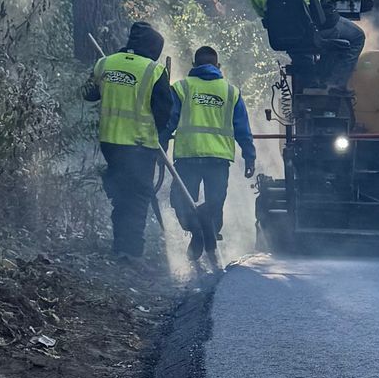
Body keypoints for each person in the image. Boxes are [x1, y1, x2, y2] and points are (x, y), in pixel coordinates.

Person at [84, 21, 179, 263]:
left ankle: (119, 247)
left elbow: (89, 94)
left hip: (110, 142)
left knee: (121, 194)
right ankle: (132, 252)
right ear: (154, 48)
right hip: (139, 144)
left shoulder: (105, 63)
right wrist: (161, 139)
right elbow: (163, 112)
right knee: (138, 197)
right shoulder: (154, 71)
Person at [171, 44, 257, 254]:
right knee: (215, 202)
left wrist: (160, 142)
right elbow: (242, 128)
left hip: (187, 157)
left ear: (194, 65)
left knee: (180, 200)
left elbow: (169, 121)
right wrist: (249, 156)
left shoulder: (182, 87)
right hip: (218, 160)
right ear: (218, 66)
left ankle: (195, 229)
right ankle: (208, 229)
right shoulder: (230, 92)